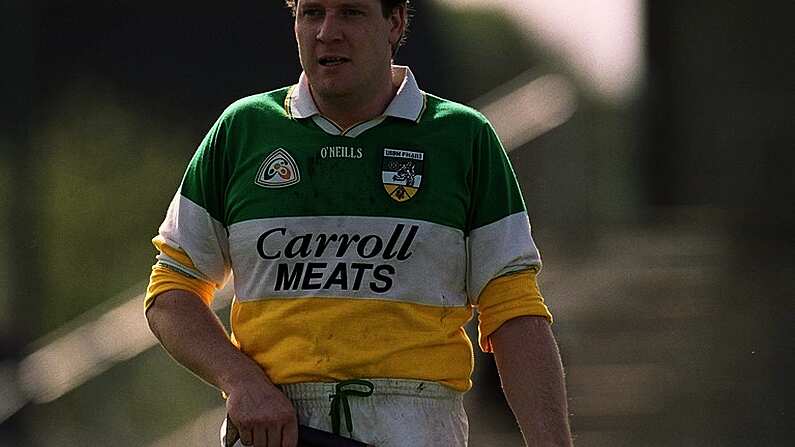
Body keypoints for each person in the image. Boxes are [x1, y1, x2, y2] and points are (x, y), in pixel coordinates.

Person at [144, 0, 572, 446]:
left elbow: (515, 315)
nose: (328, 32)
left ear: (395, 22)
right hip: (279, 426)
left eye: (350, 12)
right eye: (312, 12)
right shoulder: (242, 130)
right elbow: (172, 290)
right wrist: (240, 381)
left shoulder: (465, 139)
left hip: (417, 425)